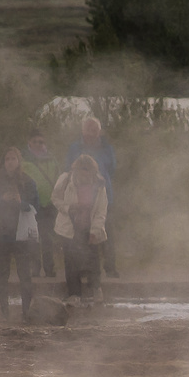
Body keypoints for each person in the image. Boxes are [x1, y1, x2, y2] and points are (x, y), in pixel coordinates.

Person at [0, 147, 39, 321]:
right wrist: (2, 201)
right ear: (3, 162)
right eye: (7, 159)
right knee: (2, 274)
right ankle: (4, 312)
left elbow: (35, 205)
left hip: (22, 234)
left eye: (13, 159)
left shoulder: (27, 182)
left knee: (25, 274)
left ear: (19, 161)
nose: (10, 162)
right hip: (0, 234)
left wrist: (19, 202)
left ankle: (26, 312)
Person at [52, 153, 108, 303]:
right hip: (69, 226)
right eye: (81, 168)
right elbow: (55, 198)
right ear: (75, 169)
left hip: (89, 226)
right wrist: (69, 208)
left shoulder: (99, 185)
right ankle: (74, 294)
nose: (84, 172)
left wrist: (95, 231)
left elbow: (101, 210)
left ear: (92, 170)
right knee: (71, 260)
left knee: (93, 259)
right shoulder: (65, 180)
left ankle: (96, 290)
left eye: (87, 169)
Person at [66, 117, 118, 276]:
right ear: (82, 131)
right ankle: (85, 269)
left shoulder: (106, 148)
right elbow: (68, 168)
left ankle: (110, 268)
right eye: (88, 128)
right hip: (82, 196)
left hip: (103, 194)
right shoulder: (75, 148)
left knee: (106, 231)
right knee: (82, 234)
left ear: (99, 131)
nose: (91, 132)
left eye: (94, 129)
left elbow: (113, 168)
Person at [21, 129, 61, 278]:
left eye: (41, 142)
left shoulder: (52, 160)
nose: (39, 144)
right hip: (31, 205)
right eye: (35, 141)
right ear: (29, 142)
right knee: (33, 237)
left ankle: (49, 268)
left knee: (47, 237)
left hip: (49, 203)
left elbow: (58, 179)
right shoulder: (23, 160)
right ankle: (35, 268)